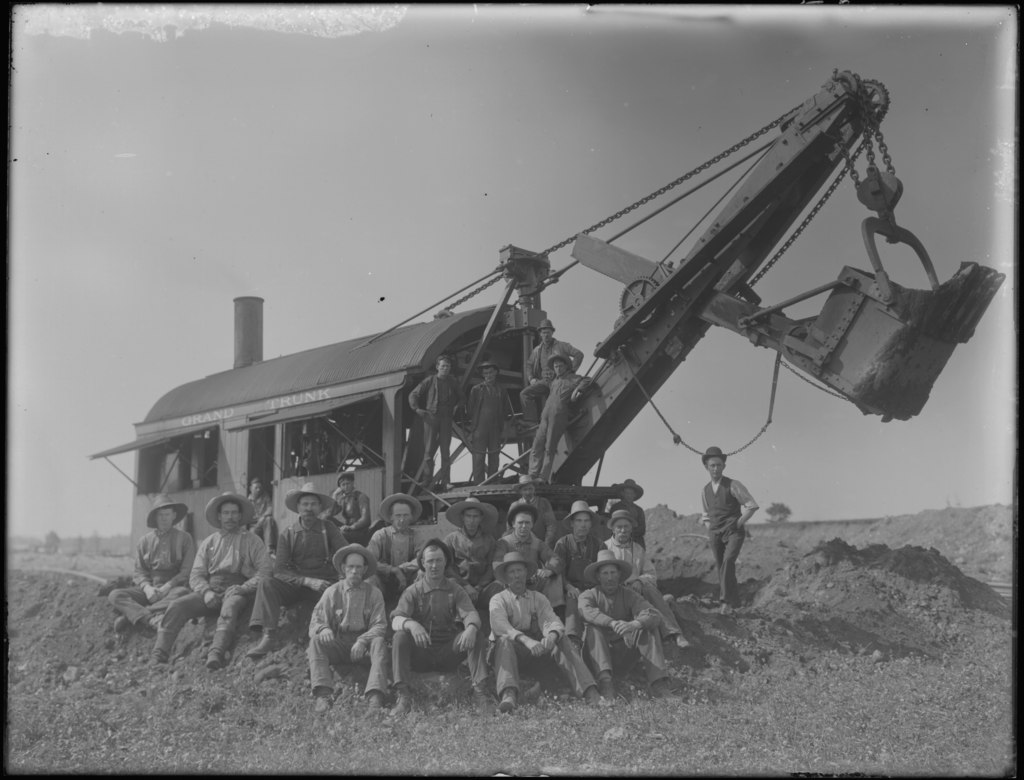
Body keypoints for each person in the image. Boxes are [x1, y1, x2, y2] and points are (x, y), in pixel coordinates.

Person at [151, 493, 273, 669]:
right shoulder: (209, 542)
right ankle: (159, 655)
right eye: (226, 513)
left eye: (234, 513)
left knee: (229, 607)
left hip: (237, 589)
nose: (230, 517)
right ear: (219, 516)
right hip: (211, 590)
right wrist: (207, 592)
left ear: (240, 516)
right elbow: (196, 574)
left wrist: (244, 588)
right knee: (177, 605)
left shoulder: (252, 540)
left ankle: (216, 653)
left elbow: (265, 571)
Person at [389, 539, 494, 716]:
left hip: (447, 651)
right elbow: (396, 618)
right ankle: (403, 696)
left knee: (475, 633)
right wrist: (412, 624)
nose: (434, 565)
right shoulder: (413, 591)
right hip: (422, 652)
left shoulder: (455, 589)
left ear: (445, 562)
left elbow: (471, 613)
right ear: (423, 563)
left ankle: (480, 693)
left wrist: (470, 628)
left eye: (438, 560)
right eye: (430, 561)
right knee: (400, 636)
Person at [489, 551, 604, 712]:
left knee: (561, 638)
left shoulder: (538, 598)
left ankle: (590, 692)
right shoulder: (498, 599)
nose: (517, 576)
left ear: (526, 574)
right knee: (504, 640)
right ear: (506, 578)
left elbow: (552, 621)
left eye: (520, 571)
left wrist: (551, 636)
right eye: (512, 572)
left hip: (537, 654)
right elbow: (499, 625)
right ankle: (509, 695)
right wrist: (526, 640)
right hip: (510, 655)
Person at [247, 482, 346, 659]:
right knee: (267, 582)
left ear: (320, 507)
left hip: (324, 584)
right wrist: (307, 581)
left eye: (313, 504)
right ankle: (268, 636)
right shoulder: (288, 534)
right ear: (298, 508)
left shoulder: (328, 528)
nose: (309, 508)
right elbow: (280, 570)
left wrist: (341, 578)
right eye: (305, 504)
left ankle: (330, 642)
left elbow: (345, 554)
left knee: (338, 596)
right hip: (297, 585)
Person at [578, 549, 679, 699]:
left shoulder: (629, 594)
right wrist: (612, 623)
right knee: (593, 629)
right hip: (596, 657)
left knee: (647, 628)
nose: (610, 578)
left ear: (619, 575)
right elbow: (586, 611)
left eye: (613, 573)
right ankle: (606, 684)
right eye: (605, 574)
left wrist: (634, 625)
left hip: (623, 652)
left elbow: (652, 614)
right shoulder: (589, 595)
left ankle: (659, 684)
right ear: (598, 577)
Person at [307, 544, 389, 714]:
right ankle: (323, 696)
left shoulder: (374, 593)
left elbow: (380, 625)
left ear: (365, 569)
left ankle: (375, 699)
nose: (354, 571)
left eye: (358, 567)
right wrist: (323, 629)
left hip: (363, 648)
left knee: (380, 642)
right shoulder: (332, 592)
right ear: (343, 569)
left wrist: (363, 640)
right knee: (316, 641)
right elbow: (315, 620)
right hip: (339, 644)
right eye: (350, 567)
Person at [108, 494, 195, 635]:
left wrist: (168, 586)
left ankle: (133, 615)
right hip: (150, 590)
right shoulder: (144, 541)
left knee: (183, 593)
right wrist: (148, 588)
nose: (164, 518)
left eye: (167, 514)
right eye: (160, 515)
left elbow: (186, 570)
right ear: (155, 517)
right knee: (115, 595)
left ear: (174, 515)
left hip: (173, 588)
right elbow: (139, 571)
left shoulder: (185, 538)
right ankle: (151, 619)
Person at [605, 510, 691, 649]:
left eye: (626, 526)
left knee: (649, 588)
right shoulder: (605, 548)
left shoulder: (638, 549)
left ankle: (673, 633)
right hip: (616, 593)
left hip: (637, 590)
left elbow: (651, 573)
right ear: (613, 529)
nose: (623, 530)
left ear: (631, 529)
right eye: (619, 527)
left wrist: (639, 581)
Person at [700, 446, 759, 613]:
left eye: (719, 465)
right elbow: (705, 514)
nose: (716, 468)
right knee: (721, 567)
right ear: (706, 467)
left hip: (734, 532)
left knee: (728, 562)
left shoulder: (733, 484)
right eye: (712, 465)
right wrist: (710, 529)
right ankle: (737, 604)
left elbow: (751, 506)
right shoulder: (705, 490)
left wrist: (738, 523)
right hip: (715, 533)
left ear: (724, 466)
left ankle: (725, 602)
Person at [528, 354, 591, 484]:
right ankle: (532, 475)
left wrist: (577, 390)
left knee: (549, 447)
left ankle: (542, 477)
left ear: (566, 366)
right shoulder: (554, 381)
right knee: (536, 445)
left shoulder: (574, 378)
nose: (558, 368)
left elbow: (588, 380)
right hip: (545, 415)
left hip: (559, 414)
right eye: (556, 366)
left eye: (560, 366)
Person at [487, 504, 563, 611]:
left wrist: (548, 571)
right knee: (496, 587)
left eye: (527, 523)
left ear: (532, 524)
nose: (524, 526)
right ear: (513, 524)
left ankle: (553, 611)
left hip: (531, 583)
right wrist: (509, 578)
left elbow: (555, 559)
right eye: (520, 522)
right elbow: (497, 564)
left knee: (555, 577)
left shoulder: (537, 543)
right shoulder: (504, 542)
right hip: (509, 583)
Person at [549, 500, 605, 642]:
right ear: (572, 523)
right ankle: (572, 638)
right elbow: (558, 570)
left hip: (594, 588)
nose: (583, 524)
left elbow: (604, 569)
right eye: (579, 520)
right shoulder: (563, 543)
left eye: (586, 521)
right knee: (573, 601)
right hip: (571, 588)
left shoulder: (599, 544)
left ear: (591, 524)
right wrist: (568, 586)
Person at [408, 354, 464, 489]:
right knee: (428, 451)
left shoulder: (453, 382)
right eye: (443, 366)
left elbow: (462, 398)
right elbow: (413, 394)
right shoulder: (430, 380)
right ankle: (427, 480)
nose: (445, 368)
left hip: (446, 418)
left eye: (448, 366)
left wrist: (457, 406)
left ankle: (446, 481)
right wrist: (416, 409)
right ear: (437, 367)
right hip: (431, 417)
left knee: (445, 451)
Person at [366, 493, 423, 607]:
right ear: (391, 517)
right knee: (369, 579)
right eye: (398, 515)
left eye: (406, 515)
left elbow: (422, 559)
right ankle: (374, 613)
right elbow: (369, 560)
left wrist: (402, 568)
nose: (402, 520)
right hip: (384, 583)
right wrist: (392, 570)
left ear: (411, 517)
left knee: (423, 573)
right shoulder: (381, 535)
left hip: (408, 583)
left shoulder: (416, 535)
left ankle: (417, 610)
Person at [442, 497, 499, 610]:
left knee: (499, 586)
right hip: (460, 585)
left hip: (482, 587)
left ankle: (491, 617)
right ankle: (458, 618)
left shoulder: (489, 540)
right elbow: (447, 567)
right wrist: (465, 585)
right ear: (463, 517)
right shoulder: (451, 539)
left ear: (481, 518)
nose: (471, 520)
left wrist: (478, 587)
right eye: (468, 516)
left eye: (475, 516)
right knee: (450, 584)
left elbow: (490, 566)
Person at [467, 361, 508, 483]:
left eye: (490, 372)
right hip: (480, 428)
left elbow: (505, 409)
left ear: (495, 373)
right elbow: (470, 409)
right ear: (482, 375)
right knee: (478, 457)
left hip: (495, 427)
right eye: (486, 373)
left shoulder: (502, 389)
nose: (488, 375)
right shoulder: (476, 389)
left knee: (494, 456)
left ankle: (492, 481)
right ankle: (478, 483)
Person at [507, 475, 559, 546]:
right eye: (525, 490)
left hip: (540, 544)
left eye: (530, 489)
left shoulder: (543, 503)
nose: (528, 492)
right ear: (520, 491)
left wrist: (545, 545)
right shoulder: (515, 505)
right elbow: (510, 528)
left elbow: (551, 525)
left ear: (534, 489)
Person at [325, 471, 375, 545]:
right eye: (343, 485)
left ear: (352, 483)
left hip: (360, 531)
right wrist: (335, 496)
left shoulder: (361, 497)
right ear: (340, 487)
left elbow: (366, 519)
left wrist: (351, 527)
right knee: (326, 519)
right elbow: (329, 514)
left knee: (337, 535)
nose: (346, 487)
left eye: (348, 483)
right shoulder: (344, 499)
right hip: (348, 529)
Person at [608, 478, 647, 549]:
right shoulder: (616, 507)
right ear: (623, 494)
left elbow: (642, 529)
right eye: (627, 493)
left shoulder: (639, 510)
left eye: (631, 493)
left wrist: (628, 533)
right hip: (619, 543)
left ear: (634, 495)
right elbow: (611, 526)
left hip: (636, 543)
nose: (629, 495)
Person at [249, 478, 278, 556]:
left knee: (269, 519)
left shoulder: (265, 496)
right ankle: (255, 554)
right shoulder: (248, 501)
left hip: (263, 522)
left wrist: (263, 517)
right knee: (252, 532)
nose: (258, 490)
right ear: (251, 488)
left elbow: (270, 508)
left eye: (259, 488)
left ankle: (270, 550)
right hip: (254, 525)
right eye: (256, 488)